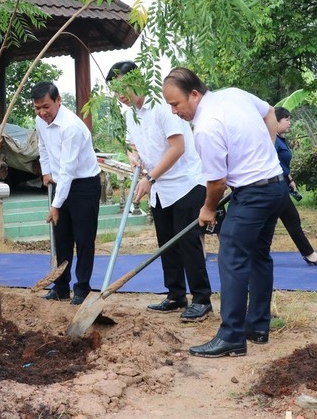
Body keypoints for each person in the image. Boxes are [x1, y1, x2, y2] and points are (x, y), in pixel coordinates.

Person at [162, 67, 286, 358]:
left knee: (231, 257)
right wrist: (264, 153)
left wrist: (207, 209)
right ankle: (256, 327)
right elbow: (270, 112)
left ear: (194, 94)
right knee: (258, 256)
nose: (174, 111)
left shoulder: (205, 127)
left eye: (176, 104)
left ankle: (231, 336)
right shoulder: (233, 94)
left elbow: (216, 183)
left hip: (254, 195)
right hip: (275, 186)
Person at [106, 61, 212, 322]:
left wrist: (150, 178)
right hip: (160, 188)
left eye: (122, 86)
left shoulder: (162, 108)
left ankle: (201, 299)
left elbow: (178, 148)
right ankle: (175, 295)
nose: (120, 94)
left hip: (186, 183)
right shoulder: (130, 115)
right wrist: (134, 157)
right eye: (114, 89)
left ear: (138, 81)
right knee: (166, 243)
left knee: (187, 243)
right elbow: (133, 145)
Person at [32, 81, 101, 305]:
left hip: (83, 186)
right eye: (37, 108)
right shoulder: (40, 121)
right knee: (61, 239)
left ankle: (82, 289)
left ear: (58, 100)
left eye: (46, 106)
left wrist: (55, 205)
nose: (42, 112)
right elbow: (42, 147)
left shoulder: (71, 126)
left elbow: (69, 169)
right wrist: (45, 172)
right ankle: (60, 287)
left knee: (83, 239)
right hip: (59, 183)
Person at [274, 107, 317, 266]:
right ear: (275, 121)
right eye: (286, 119)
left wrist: (290, 178)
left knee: (291, 219)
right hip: (273, 186)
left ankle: (309, 253)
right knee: (286, 220)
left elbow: (281, 163)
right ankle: (309, 253)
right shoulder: (272, 141)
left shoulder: (280, 139)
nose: (290, 122)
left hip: (282, 183)